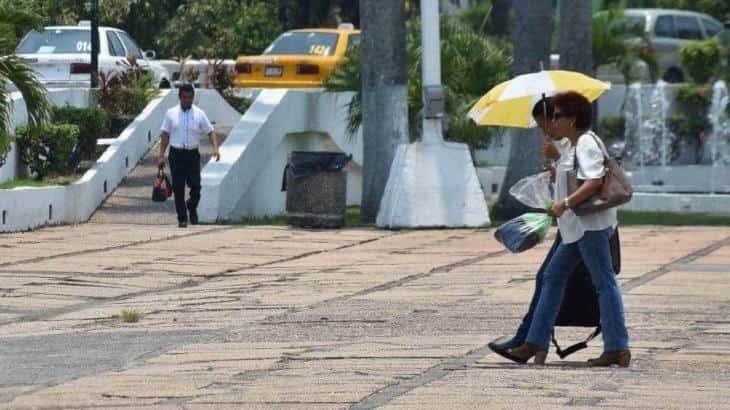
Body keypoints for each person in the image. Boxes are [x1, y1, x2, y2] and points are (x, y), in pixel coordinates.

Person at [502, 91, 631, 367]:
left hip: (590, 227)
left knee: (604, 283)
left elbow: (594, 181)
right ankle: (535, 342)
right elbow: (575, 177)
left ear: (572, 119)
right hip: (577, 229)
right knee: (553, 276)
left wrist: (565, 202)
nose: (553, 121)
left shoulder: (585, 142)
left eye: (558, 115)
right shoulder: (573, 146)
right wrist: (556, 166)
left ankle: (617, 346)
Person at [158, 84, 220, 228]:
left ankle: (191, 206)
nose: (187, 100)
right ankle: (182, 218)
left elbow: (210, 131)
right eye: (184, 97)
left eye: (190, 98)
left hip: (192, 155)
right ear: (180, 97)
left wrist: (215, 148)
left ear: (193, 98)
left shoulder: (199, 113)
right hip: (176, 154)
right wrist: (161, 155)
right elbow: (165, 135)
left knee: (196, 186)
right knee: (178, 188)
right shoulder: (171, 113)